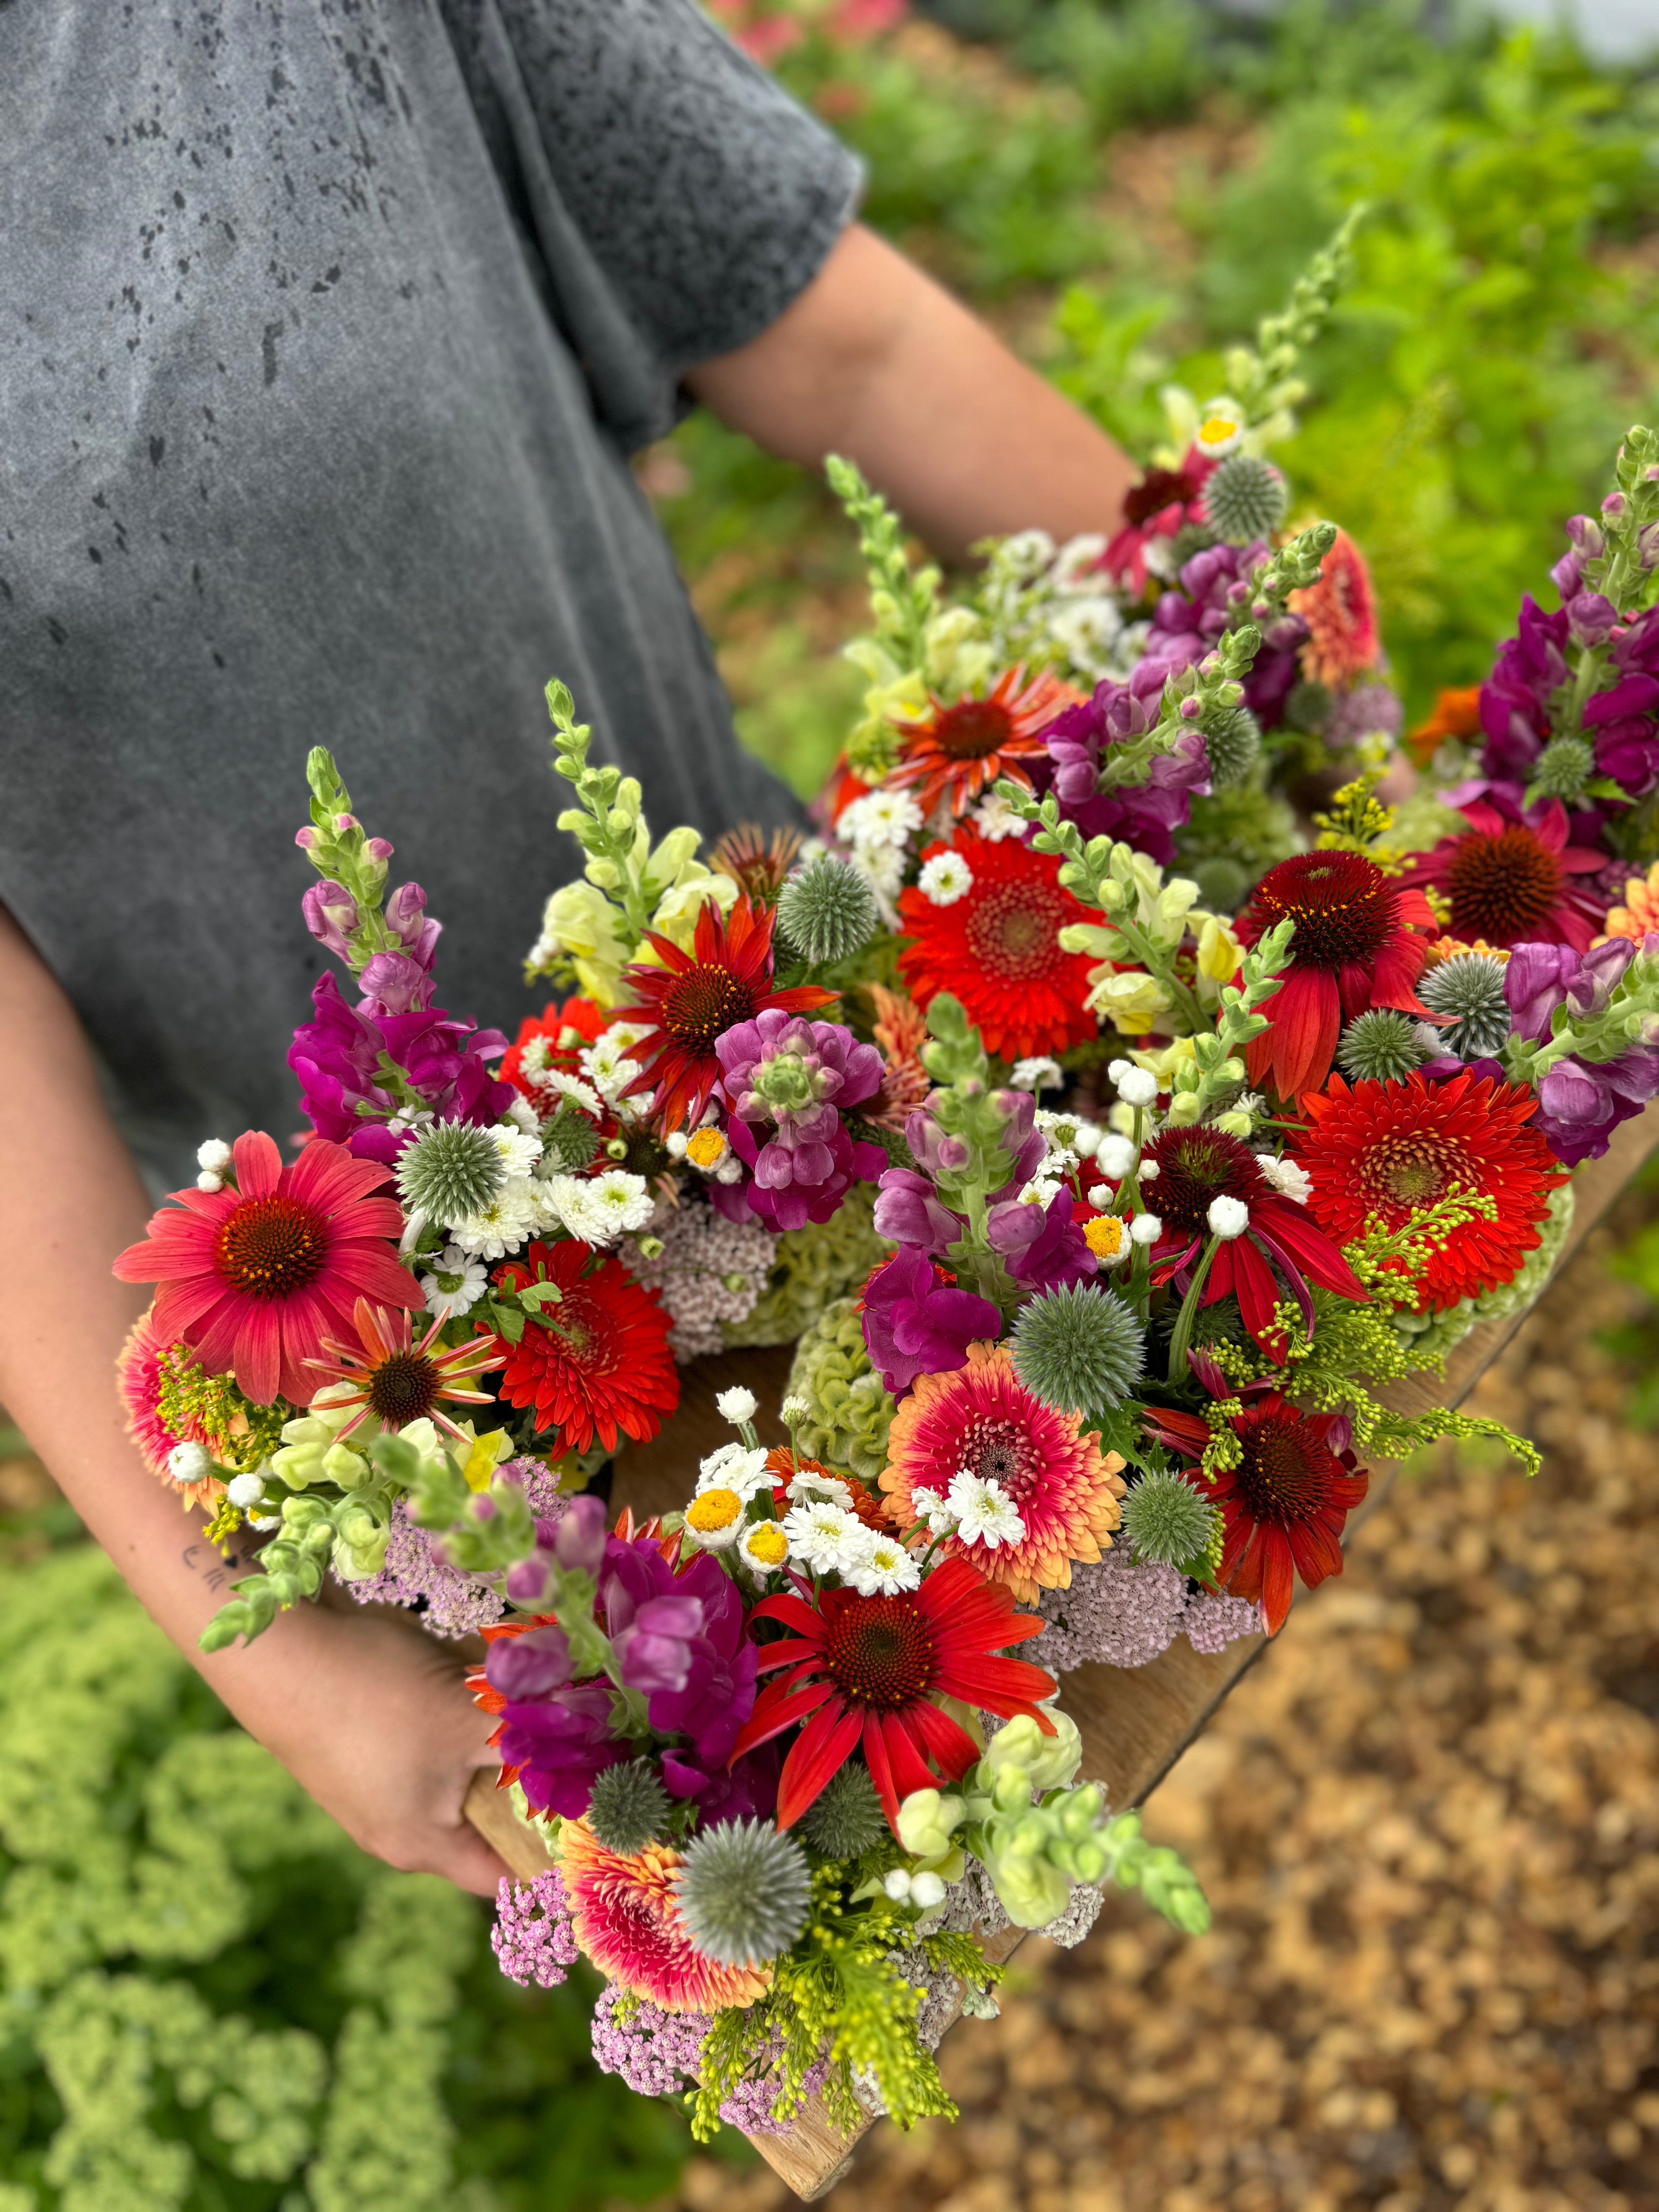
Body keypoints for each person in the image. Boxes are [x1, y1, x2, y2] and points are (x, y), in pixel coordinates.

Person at [0, 0, 1137, 1898]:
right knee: (838, 1880)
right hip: (410, 1377)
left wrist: (1233, 653)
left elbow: (828, 332)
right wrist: (257, 1635)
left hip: (843, 1074)